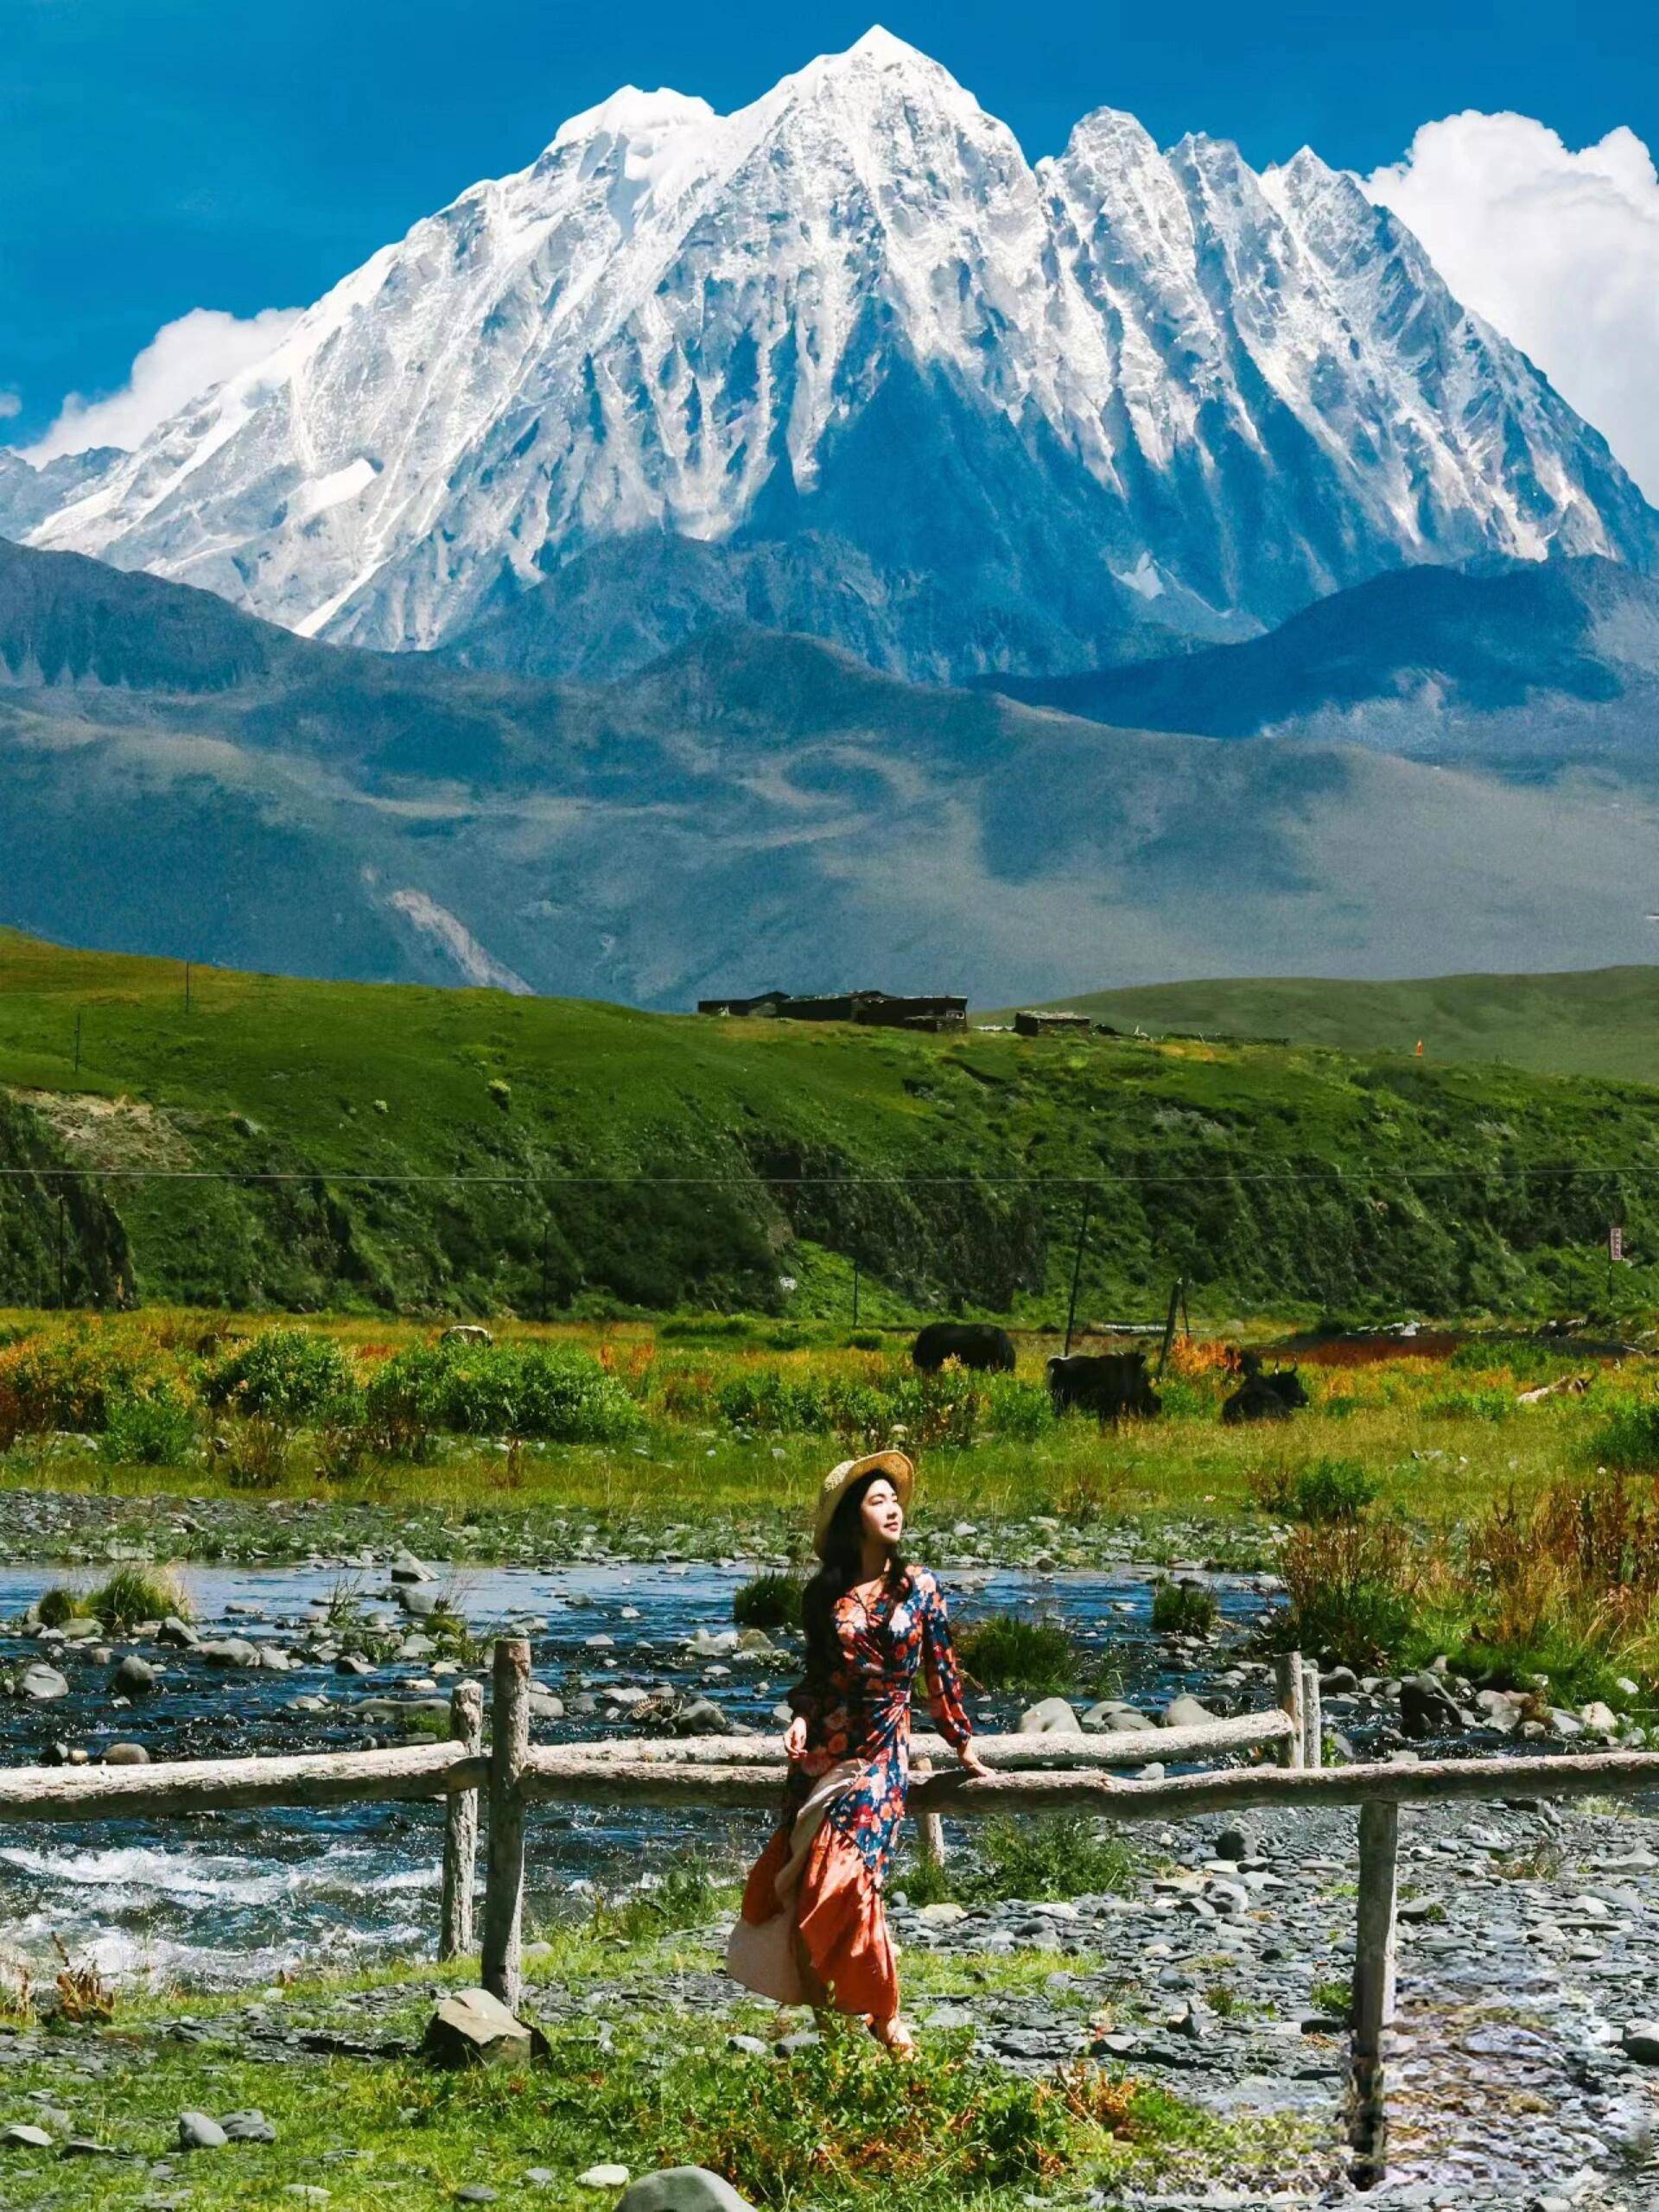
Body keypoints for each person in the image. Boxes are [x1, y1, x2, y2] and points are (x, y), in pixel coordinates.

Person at [728, 1448, 988, 2056]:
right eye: (877, 1501)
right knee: (806, 1887)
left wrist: (962, 1739)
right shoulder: (825, 1596)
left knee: (847, 1884)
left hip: (880, 1757)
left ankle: (885, 2018)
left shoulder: (919, 1587)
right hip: (822, 1757)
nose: (893, 1508)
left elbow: (941, 1673)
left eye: (894, 1499)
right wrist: (798, 1717)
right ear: (852, 1518)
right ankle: (832, 2029)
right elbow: (817, 1678)